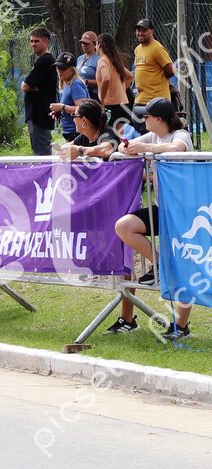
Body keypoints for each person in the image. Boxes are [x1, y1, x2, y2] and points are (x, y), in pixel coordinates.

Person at [112, 98, 194, 340]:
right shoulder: (152, 136)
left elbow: (177, 148)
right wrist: (128, 148)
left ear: (159, 119)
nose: (142, 119)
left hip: (186, 213)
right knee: (124, 226)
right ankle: (159, 264)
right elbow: (123, 148)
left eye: (146, 116)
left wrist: (146, 149)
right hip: (162, 208)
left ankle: (181, 326)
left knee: (184, 266)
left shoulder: (180, 135)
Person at [21, 27, 58, 156]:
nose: (33, 44)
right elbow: (28, 85)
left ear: (46, 42)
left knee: (42, 154)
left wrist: (29, 86)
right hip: (32, 117)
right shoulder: (38, 61)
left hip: (40, 116)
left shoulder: (46, 60)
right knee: (36, 149)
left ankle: (46, 170)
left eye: (36, 41)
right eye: (31, 41)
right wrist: (32, 87)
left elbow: (25, 86)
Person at [96, 33, 134, 134]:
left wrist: (102, 98)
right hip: (123, 104)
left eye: (96, 43)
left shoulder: (102, 61)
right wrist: (121, 90)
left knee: (107, 134)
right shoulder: (115, 60)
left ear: (99, 44)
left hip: (110, 105)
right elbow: (130, 76)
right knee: (120, 135)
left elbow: (106, 78)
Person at [48, 52, 89, 143]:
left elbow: (83, 109)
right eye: (58, 68)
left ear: (72, 70)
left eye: (63, 68)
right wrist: (59, 111)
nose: (59, 71)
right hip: (70, 132)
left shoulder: (76, 84)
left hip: (77, 132)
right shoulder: (67, 84)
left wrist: (62, 107)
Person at [133, 19, 174, 107]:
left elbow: (170, 70)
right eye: (138, 30)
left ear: (152, 31)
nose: (140, 33)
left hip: (156, 100)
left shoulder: (157, 48)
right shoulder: (137, 49)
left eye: (144, 30)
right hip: (141, 99)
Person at [76, 31, 100, 100]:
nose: (84, 45)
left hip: (94, 95)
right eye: (82, 43)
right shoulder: (80, 58)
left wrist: (86, 82)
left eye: (87, 43)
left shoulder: (98, 59)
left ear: (95, 44)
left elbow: (103, 80)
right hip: (80, 94)